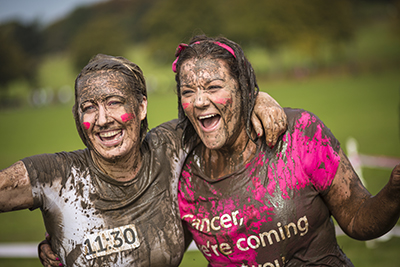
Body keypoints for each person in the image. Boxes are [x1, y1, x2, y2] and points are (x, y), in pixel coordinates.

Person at [1, 54, 287, 266]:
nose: (102, 120)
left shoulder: (170, 147)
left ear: (140, 107)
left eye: (114, 102)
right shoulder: (54, 176)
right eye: (89, 108)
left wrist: (256, 99)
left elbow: (216, 109)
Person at [173, 35, 400, 266]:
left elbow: (357, 219)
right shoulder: (182, 171)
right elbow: (164, 254)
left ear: (243, 88)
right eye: (188, 91)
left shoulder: (300, 134)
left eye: (214, 87)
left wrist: (394, 190)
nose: (199, 101)